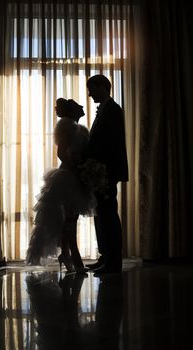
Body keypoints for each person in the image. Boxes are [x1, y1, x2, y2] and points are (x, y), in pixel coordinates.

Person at [26, 98, 95, 273]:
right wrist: (77, 168)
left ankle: (66, 254)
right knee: (69, 221)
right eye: (77, 105)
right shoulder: (66, 125)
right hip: (68, 176)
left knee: (70, 220)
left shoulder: (79, 128)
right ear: (72, 110)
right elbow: (61, 153)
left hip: (77, 175)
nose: (81, 106)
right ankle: (74, 258)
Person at [85, 74, 129, 274]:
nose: (89, 93)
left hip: (106, 172)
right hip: (99, 172)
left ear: (103, 87)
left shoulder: (113, 110)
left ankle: (113, 261)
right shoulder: (105, 109)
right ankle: (106, 257)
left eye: (91, 88)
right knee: (101, 215)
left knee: (109, 216)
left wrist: (89, 158)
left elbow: (111, 144)